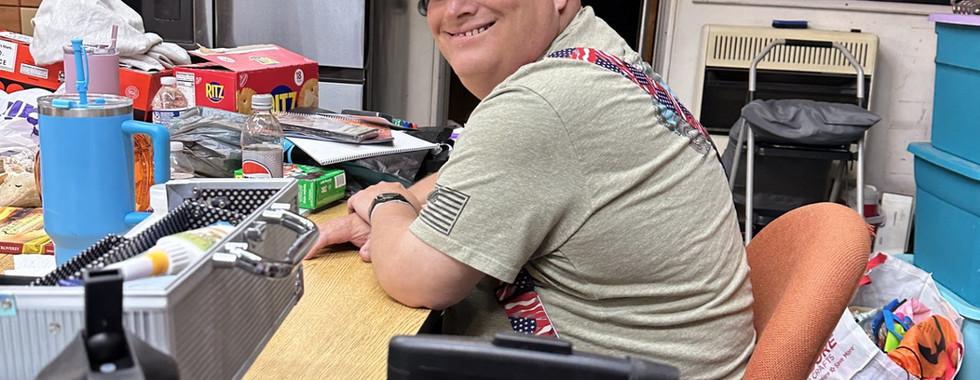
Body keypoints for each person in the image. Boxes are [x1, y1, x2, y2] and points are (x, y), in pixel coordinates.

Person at [305, 0, 756, 378]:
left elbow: (418, 277)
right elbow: (485, 173)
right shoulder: (594, 54)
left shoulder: (542, 102)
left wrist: (385, 204)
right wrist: (409, 204)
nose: (455, 9)